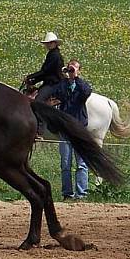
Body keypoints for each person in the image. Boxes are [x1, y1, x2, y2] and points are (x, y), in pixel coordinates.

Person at [49, 59, 93, 200]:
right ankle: (67, 194)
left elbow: (87, 91)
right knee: (65, 164)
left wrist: (76, 78)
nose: (71, 71)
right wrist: (65, 78)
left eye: (73, 69)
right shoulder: (63, 85)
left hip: (79, 128)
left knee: (82, 164)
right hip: (66, 129)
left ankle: (81, 193)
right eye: (69, 69)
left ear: (79, 70)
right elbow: (55, 93)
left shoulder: (81, 85)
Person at [25, 32, 64, 138]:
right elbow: (46, 73)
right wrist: (33, 80)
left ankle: (40, 129)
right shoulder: (52, 54)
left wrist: (31, 77)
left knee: (38, 101)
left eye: (50, 43)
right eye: (47, 43)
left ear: (55, 43)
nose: (48, 45)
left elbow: (45, 71)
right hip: (49, 82)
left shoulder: (55, 56)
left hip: (54, 84)